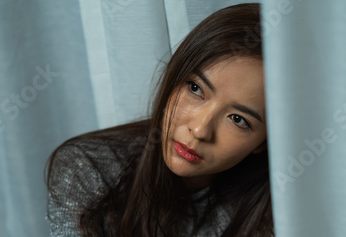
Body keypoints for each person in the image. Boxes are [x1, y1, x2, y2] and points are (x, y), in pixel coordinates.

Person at [45, 3, 273, 236]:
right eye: (195, 89)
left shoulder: (277, 206)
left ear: (263, 142)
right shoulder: (89, 169)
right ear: (174, 78)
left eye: (238, 119)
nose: (199, 129)